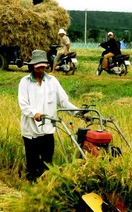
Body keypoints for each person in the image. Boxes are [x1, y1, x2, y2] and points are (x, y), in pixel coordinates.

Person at [18, 49, 83, 182]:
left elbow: (63, 101)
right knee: (33, 163)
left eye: (43, 65)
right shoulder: (25, 82)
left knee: (47, 162)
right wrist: (34, 113)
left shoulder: (52, 81)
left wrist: (80, 113)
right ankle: (32, 188)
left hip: (48, 128)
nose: (41, 68)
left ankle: (45, 187)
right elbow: (23, 104)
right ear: (32, 66)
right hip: (31, 131)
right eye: (38, 65)